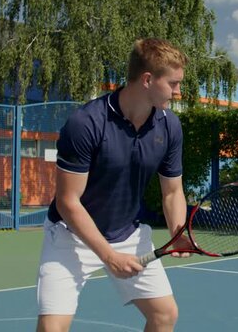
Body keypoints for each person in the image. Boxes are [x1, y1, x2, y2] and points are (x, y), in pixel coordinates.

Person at [36, 38, 192, 332]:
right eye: (173, 83)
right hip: (71, 237)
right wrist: (108, 256)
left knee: (164, 315)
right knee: (51, 329)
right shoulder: (86, 123)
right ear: (147, 79)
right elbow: (67, 202)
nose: (178, 92)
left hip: (128, 235)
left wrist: (178, 231)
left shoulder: (169, 126)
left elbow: (172, 192)